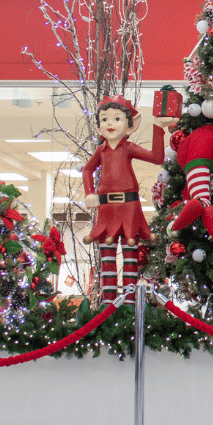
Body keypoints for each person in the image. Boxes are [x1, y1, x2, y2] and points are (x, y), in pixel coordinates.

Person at [81, 96, 175, 300]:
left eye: (116, 119)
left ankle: (130, 301)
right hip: (106, 208)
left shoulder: (128, 148)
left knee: (130, 251)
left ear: (131, 126)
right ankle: (108, 302)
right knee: (107, 256)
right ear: (98, 126)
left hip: (129, 207)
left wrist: (158, 127)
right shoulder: (101, 151)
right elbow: (87, 169)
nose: (110, 124)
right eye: (104, 119)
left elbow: (156, 157)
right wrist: (90, 192)